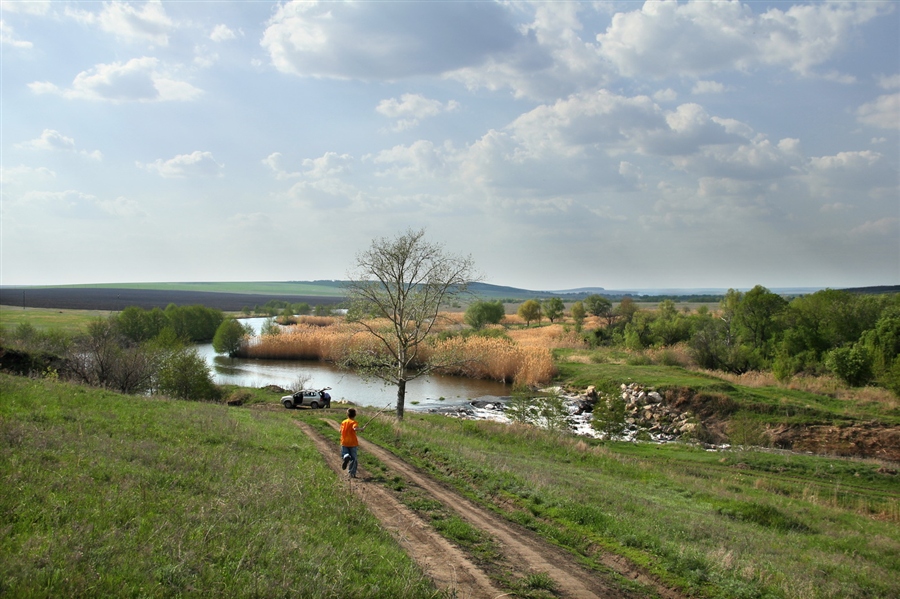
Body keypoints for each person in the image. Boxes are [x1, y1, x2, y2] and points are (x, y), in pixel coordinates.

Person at [340, 408, 365, 478]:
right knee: (354, 459)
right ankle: (352, 473)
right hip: (353, 443)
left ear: (347, 414)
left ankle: (346, 456)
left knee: (344, 454)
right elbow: (355, 428)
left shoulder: (344, 422)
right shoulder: (354, 422)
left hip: (344, 441)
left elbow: (340, 431)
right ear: (355, 415)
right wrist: (361, 429)